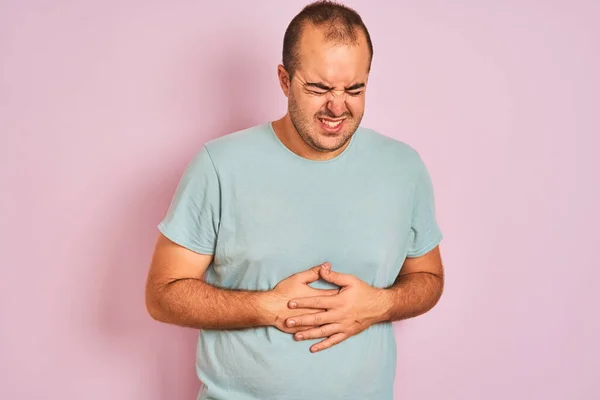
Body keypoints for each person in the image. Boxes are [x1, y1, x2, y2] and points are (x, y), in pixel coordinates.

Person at [145, 1, 444, 399]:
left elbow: (430, 278)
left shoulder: (404, 168)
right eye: (319, 88)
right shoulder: (219, 166)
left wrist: (380, 304)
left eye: (354, 89)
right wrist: (266, 307)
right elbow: (163, 293)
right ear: (285, 80)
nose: (337, 107)